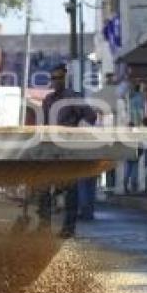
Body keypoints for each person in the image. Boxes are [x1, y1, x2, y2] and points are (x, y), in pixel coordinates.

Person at [38, 63, 97, 238]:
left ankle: (68, 228)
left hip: (68, 151)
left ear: (65, 78)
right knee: (44, 188)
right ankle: (43, 226)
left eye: (59, 78)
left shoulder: (73, 97)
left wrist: (79, 134)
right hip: (50, 151)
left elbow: (91, 117)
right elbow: (44, 125)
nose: (56, 81)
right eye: (53, 78)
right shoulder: (48, 100)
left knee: (70, 189)